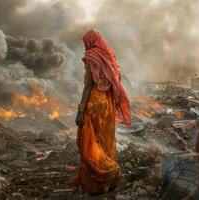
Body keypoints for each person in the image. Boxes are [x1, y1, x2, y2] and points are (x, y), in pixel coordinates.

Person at [73, 29, 131, 194]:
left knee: (89, 142)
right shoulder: (109, 59)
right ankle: (105, 180)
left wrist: (80, 109)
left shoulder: (91, 57)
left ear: (90, 41)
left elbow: (88, 85)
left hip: (95, 105)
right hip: (108, 105)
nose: (85, 45)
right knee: (104, 140)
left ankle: (111, 173)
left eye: (86, 42)